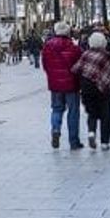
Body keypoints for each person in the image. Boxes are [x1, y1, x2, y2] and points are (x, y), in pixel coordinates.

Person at [72, 32, 110, 151]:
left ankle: (91, 132)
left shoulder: (85, 54)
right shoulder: (106, 55)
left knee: (92, 113)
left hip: (87, 88)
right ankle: (104, 142)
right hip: (103, 89)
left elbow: (76, 69)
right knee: (105, 115)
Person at [41, 22, 83, 150]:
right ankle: (73, 141)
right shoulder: (74, 48)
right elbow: (79, 66)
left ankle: (55, 129)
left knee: (57, 109)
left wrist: (52, 76)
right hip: (72, 85)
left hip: (55, 85)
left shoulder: (47, 47)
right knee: (73, 112)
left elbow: (45, 65)